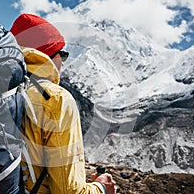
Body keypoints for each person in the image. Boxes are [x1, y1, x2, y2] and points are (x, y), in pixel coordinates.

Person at [10, 13, 116, 194]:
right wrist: (101, 188)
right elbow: (68, 191)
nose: (63, 63)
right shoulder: (55, 98)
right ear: (49, 54)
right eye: (63, 54)